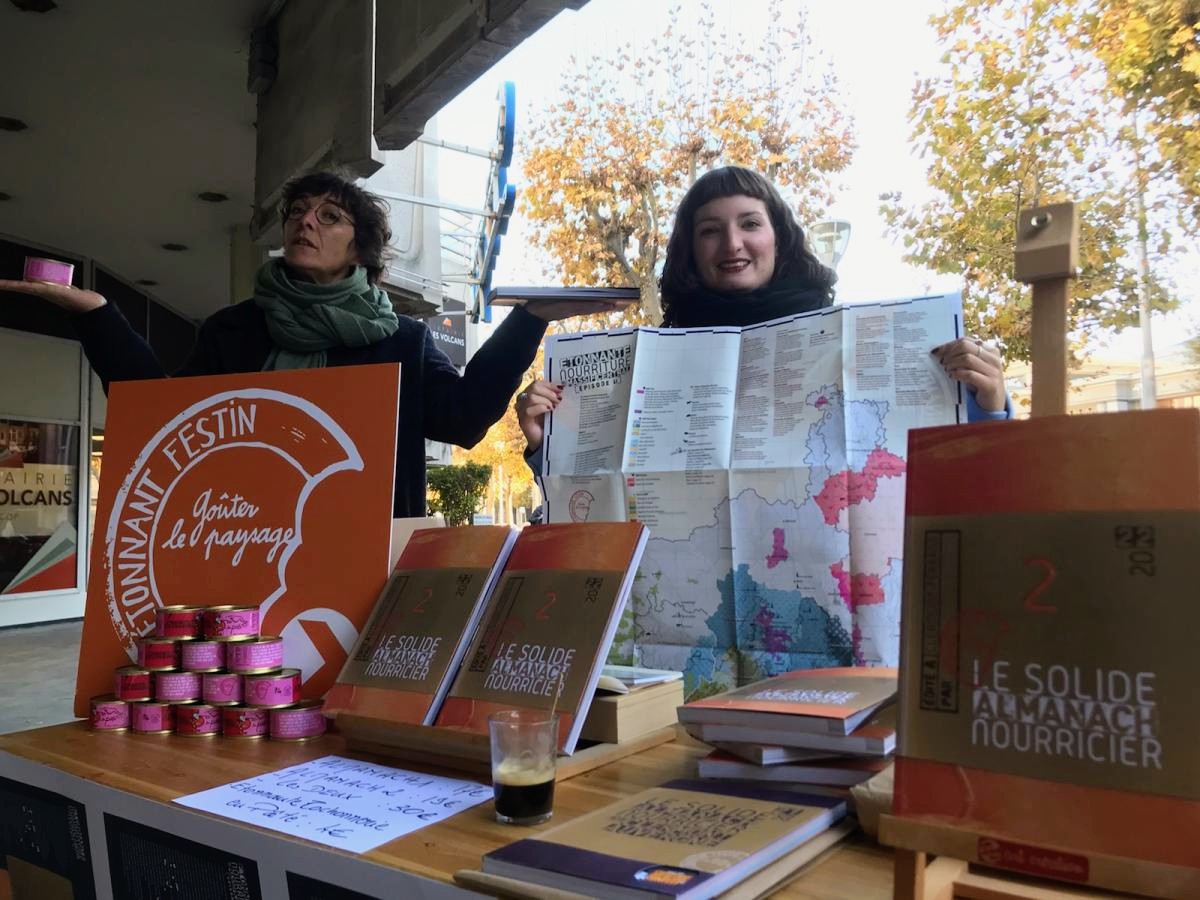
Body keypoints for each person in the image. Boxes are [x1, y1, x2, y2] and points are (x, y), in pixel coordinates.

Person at [0, 171, 612, 518]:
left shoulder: (399, 339)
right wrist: (100, 315)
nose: (305, 222)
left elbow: (464, 417)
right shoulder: (234, 331)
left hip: (362, 555)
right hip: (238, 539)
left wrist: (528, 318)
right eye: (297, 211)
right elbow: (166, 419)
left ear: (360, 248)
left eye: (329, 216)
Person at [516, 165, 1009, 466]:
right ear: (691, 249)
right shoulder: (651, 359)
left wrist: (987, 402)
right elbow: (606, 489)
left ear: (779, 236)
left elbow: (949, 472)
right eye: (711, 230)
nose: (732, 243)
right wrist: (547, 443)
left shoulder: (851, 336)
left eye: (750, 223)